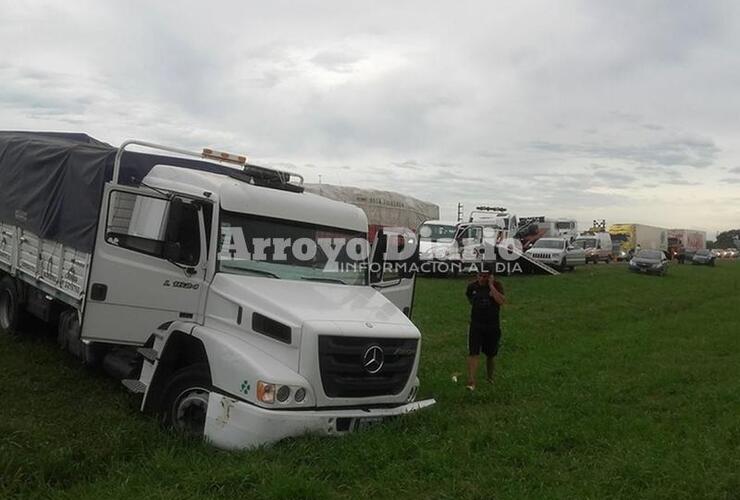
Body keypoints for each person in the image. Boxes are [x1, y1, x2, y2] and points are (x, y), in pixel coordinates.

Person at [464, 265, 506, 390]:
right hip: (476, 324)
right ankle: (471, 380)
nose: (482, 279)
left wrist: (492, 286)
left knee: (491, 354)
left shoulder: (497, 286)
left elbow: (502, 301)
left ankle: (490, 377)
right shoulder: (472, 287)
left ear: (490, 276)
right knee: (473, 352)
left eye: (485, 276)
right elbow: (469, 297)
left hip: (492, 325)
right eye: (480, 276)